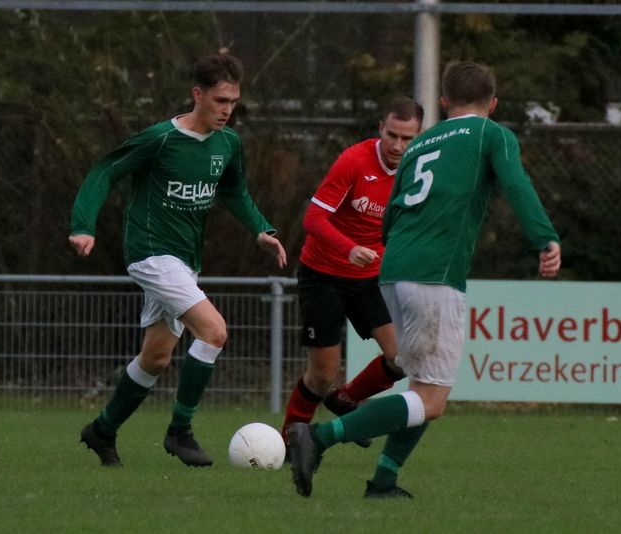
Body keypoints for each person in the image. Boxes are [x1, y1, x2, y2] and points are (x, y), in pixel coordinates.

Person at [287, 61, 561, 498]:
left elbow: (391, 216)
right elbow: (516, 183)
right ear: (493, 103)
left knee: (419, 388)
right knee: (431, 401)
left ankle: (384, 481)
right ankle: (318, 437)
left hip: (392, 272)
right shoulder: (492, 134)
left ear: (444, 102)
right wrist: (544, 238)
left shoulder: (422, 144)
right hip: (434, 276)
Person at [69, 53, 287, 468]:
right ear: (197, 94)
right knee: (214, 331)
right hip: (151, 253)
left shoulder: (228, 144)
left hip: (185, 260)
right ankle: (179, 431)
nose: (227, 109)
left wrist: (261, 229)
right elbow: (105, 171)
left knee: (155, 357)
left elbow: (234, 192)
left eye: (233, 101)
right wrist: (83, 225)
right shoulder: (161, 139)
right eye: (220, 100)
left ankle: (103, 430)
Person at [280, 97, 424, 449]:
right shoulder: (354, 161)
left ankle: (346, 399)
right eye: (392, 135)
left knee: (402, 358)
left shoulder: (417, 171)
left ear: (418, 137)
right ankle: (289, 441)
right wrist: (349, 248)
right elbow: (313, 218)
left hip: (370, 279)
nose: (398, 146)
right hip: (323, 274)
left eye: (407, 138)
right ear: (380, 129)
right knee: (322, 374)